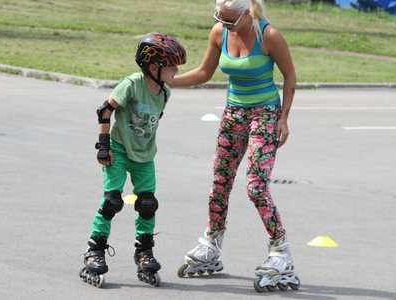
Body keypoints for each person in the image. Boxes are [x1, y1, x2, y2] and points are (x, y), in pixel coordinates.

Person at [171, 0, 299, 291]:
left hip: (265, 113)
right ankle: (211, 244)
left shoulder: (269, 35)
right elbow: (204, 73)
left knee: (256, 186)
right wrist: (167, 82)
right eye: (221, 19)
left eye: (231, 21)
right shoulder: (219, 32)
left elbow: (290, 76)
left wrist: (284, 119)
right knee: (220, 181)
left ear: (247, 12)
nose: (225, 25)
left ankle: (281, 251)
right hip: (233, 113)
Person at [80, 32, 186, 288]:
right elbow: (104, 110)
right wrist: (104, 145)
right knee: (112, 202)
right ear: (154, 67)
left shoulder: (164, 93)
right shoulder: (131, 84)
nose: (175, 72)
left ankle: (143, 252)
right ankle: (94, 251)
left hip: (144, 156)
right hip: (118, 149)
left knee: (147, 204)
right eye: (172, 67)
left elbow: (151, 124)